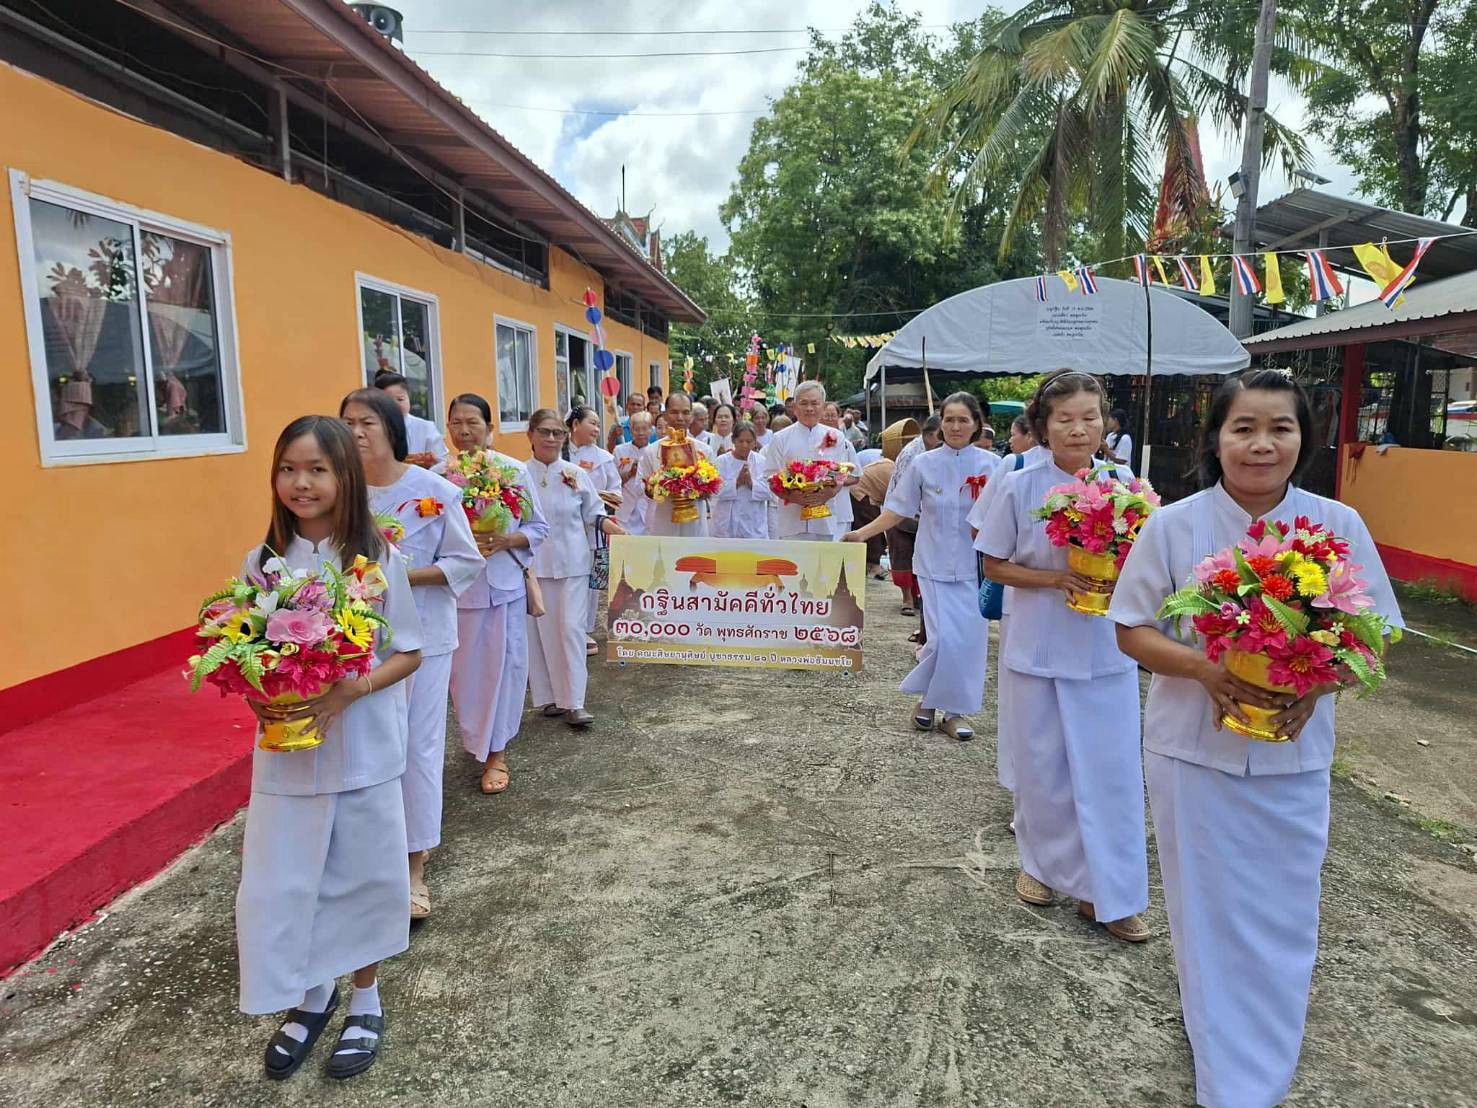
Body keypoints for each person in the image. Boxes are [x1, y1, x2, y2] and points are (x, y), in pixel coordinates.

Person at [1109, 370, 1401, 1108]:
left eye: (1280, 428)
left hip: (1293, 759)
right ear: (1216, 439)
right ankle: (1225, 1080)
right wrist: (1205, 670)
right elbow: (1131, 629)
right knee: (1204, 915)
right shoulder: (1173, 526)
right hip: (1190, 752)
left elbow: (1378, 633)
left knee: (1283, 916)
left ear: (1303, 440)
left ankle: (1258, 1075)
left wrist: (1316, 685)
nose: (1261, 444)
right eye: (1243, 428)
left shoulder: (1338, 526)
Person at [236, 416, 423, 1081]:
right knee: (289, 881)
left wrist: (352, 691)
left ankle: (365, 998)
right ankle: (312, 994)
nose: (301, 483)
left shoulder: (377, 560)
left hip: (364, 749)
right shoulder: (261, 563)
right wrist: (256, 692)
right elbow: (243, 647)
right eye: (288, 468)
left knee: (365, 879)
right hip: (287, 753)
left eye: (317, 469)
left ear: (345, 475)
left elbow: (409, 651)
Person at [976, 370, 1150, 943]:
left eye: (1089, 417)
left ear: (1105, 423)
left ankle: (1110, 893)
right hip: (1037, 647)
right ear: (1043, 427)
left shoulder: (1128, 486)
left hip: (1107, 650)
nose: (1079, 429)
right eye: (1065, 419)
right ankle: (1042, 867)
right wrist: (1056, 579)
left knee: (1112, 776)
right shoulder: (1019, 484)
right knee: (1044, 771)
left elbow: (1150, 564)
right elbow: (993, 565)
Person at [342, 389, 481, 921]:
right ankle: (367, 859)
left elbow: (465, 562)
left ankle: (413, 865)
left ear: (392, 429)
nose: (356, 432)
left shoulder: (435, 491)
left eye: (367, 422)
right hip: (356, 642)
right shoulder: (340, 492)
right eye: (347, 423)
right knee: (366, 749)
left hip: (424, 638)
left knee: (418, 748)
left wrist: (398, 579)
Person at [845, 393, 998, 740]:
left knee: (969, 643)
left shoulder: (993, 466)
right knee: (943, 640)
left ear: (976, 424)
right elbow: (897, 509)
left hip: (975, 568)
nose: (955, 426)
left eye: (963, 420)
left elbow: (1006, 517)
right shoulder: (923, 464)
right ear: (940, 424)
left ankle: (952, 712)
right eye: (949, 419)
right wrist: (862, 534)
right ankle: (931, 702)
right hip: (932, 564)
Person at [437, 394, 548, 797]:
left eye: (473, 423)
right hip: (456, 593)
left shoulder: (513, 471)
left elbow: (538, 527)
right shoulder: (438, 476)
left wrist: (507, 539)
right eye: (456, 423)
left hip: (503, 588)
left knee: (506, 671)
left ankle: (497, 752)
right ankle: (475, 740)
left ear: (490, 428)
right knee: (465, 677)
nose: (464, 431)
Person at [524, 409, 623, 727]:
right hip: (533, 565)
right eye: (544, 431)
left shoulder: (575, 473)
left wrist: (615, 530)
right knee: (539, 633)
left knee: (570, 630)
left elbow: (594, 513)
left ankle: (575, 702)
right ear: (530, 435)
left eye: (557, 433)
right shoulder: (518, 474)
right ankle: (548, 698)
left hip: (574, 564)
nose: (551, 438)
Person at [764, 382, 855, 541]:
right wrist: (793, 497)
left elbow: (841, 473)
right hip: (791, 520)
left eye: (814, 403)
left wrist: (828, 493)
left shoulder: (835, 437)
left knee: (823, 557)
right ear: (794, 407)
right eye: (804, 403)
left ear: (823, 406)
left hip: (824, 519)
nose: (809, 408)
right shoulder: (780, 438)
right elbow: (771, 476)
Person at [567, 405, 622, 655]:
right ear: (575, 424)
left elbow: (616, 492)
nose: (597, 429)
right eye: (592, 423)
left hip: (594, 527)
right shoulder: (560, 455)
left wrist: (595, 496)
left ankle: (585, 629)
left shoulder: (604, 458)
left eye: (599, 424)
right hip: (565, 527)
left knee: (591, 579)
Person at [638, 392, 718, 537]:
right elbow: (643, 488)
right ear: (665, 415)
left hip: (694, 526)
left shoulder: (704, 450)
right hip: (664, 524)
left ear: (691, 416)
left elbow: (712, 491)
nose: (680, 418)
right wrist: (661, 485)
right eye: (674, 412)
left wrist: (695, 487)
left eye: (685, 412)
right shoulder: (652, 451)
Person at [887, 415, 941, 619]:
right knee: (902, 554)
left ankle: (922, 596)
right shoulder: (912, 453)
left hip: (929, 514)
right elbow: (903, 489)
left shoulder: (943, 452)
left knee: (924, 558)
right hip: (901, 512)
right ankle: (907, 599)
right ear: (930, 435)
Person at [374, 372, 447, 468]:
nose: (395, 405)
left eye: (400, 399)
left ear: (409, 398)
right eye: (388, 401)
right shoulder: (372, 428)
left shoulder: (426, 427)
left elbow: (442, 461)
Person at [712, 422, 770, 539]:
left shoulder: (762, 461)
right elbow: (715, 491)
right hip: (727, 527)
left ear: (755, 442)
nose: (744, 445)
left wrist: (751, 483)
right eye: (741, 441)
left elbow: (770, 492)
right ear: (733, 440)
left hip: (754, 526)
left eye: (749, 441)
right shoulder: (721, 461)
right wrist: (736, 483)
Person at [849, 454, 893, 579]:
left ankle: (870, 564)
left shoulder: (890, 465)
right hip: (862, 494)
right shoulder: (896, 470)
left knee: (872, 530)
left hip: (861, 492)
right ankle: (873, 566)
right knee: (872, 531)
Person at [612, 410, 653, 536]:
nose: (640, 433)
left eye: (644, 429)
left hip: (647, 509)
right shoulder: (619, 450)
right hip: (625, 510)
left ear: (651, 430)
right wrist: (630, 473)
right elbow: (612, 481)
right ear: (630, 430)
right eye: (636, 429)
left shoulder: (655, 451)